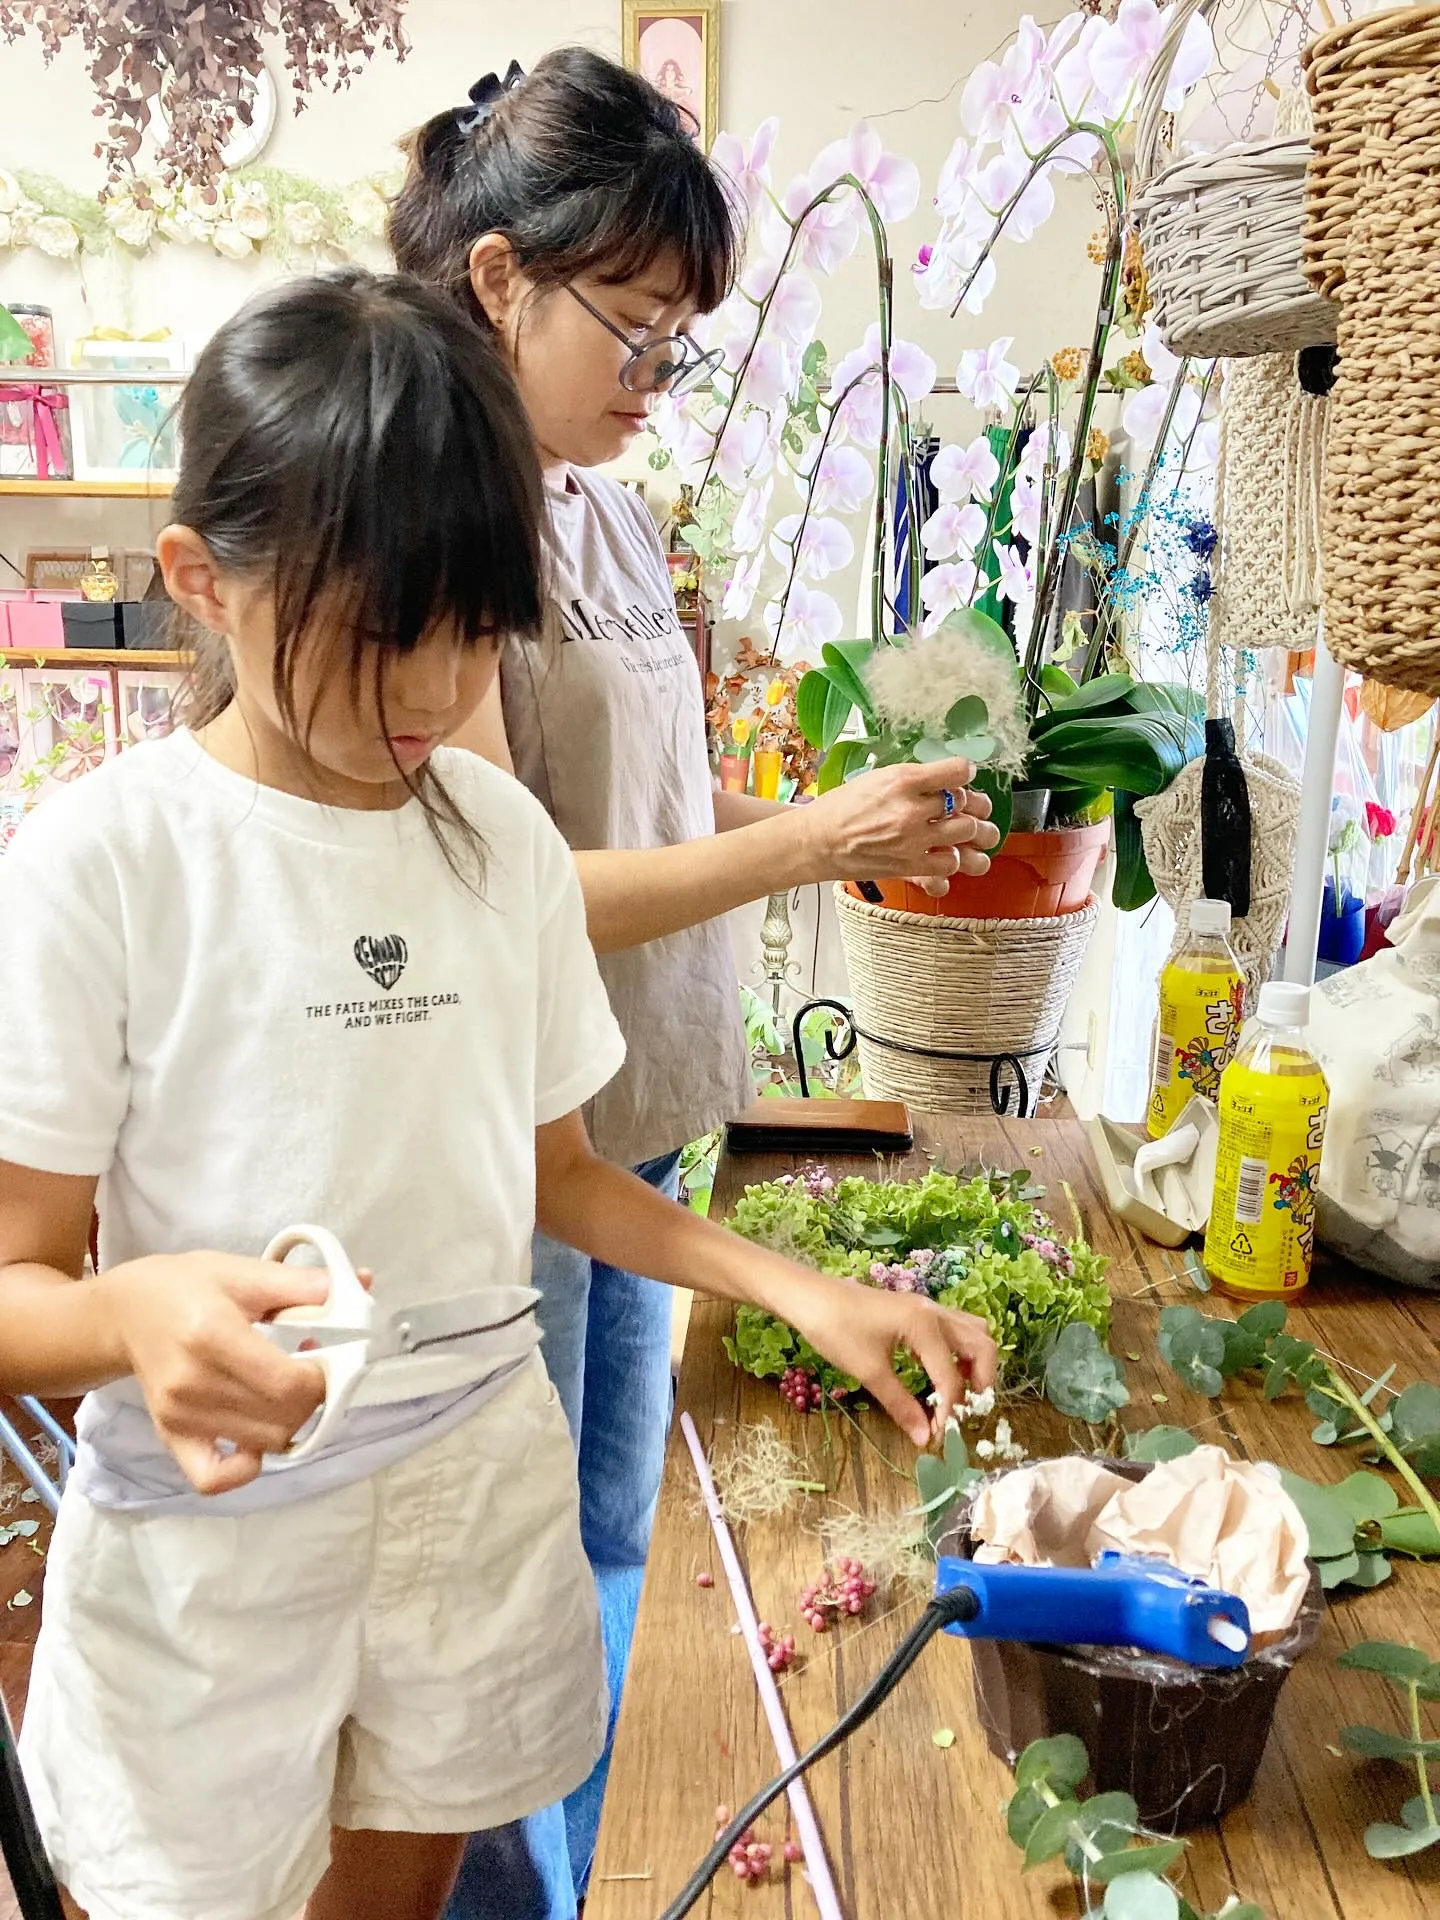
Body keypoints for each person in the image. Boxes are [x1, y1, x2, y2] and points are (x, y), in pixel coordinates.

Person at [0, 269, 997, 1920]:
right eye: (377, 635)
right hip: (213, 1547)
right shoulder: (105, 868)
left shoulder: (496, 837)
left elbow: (562, 1176)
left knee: (405, 1890)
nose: (426, 690)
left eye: (473, 629)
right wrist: (136, 1317)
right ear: (201, 581)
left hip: (466, 1496)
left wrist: (796, 1290)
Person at [388, 48, 1001, 1919]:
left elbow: (653, 800)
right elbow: (510, 887)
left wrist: (822, 819)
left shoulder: (608, 510)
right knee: (507, 1608)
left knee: (603, 1542)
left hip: (646, 1113)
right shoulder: (443, 520)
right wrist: (804, 851)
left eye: (679, 344)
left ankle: (557, 1886)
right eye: (632, 331)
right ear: (498, 277)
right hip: (525, 1137)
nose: (656, 379)